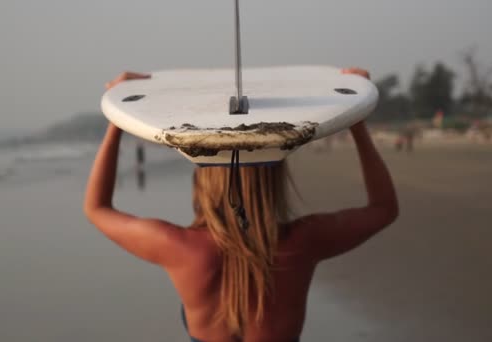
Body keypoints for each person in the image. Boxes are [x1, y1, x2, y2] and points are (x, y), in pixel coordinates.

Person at [84, 68, 399, 342]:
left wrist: (118, 118)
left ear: (204, 181)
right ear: (275, 175)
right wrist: (355, 116)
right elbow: (384, 208)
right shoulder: (302, 242)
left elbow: (97, 208)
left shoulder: (181, 249)